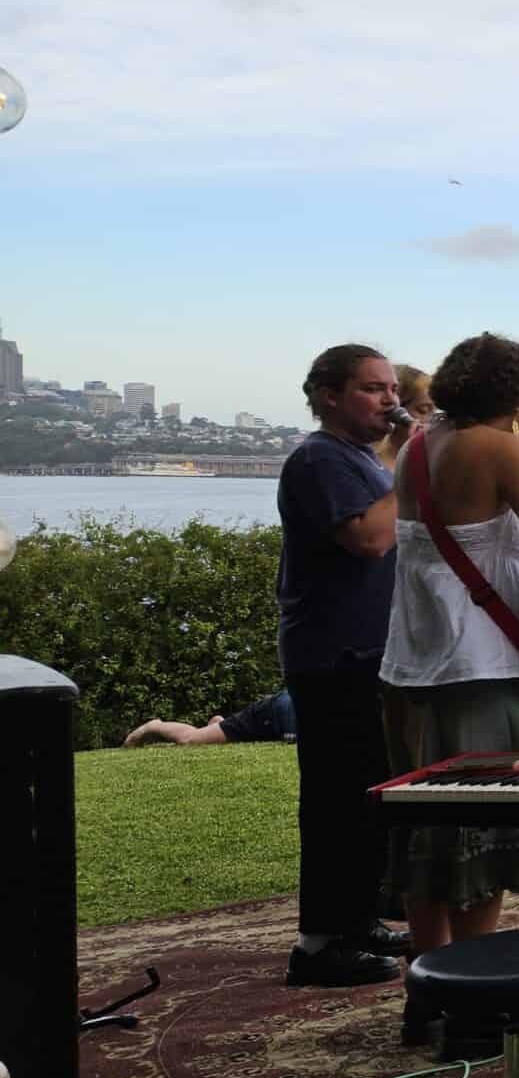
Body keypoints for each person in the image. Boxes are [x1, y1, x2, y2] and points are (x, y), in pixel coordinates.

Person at [381, 333, 519, 1041]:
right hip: (484, 668)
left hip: (410, 669)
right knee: (483, 839)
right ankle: (478, 1003)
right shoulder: (503, 447)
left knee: (428, 837)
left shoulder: (415, 448)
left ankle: (428, 993)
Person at [276, 343, 411, 988]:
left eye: (391, 388)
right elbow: (369, 538)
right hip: (334, 654)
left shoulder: (359, 458)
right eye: (372, 389)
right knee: (336, 801)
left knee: (366, 798)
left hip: (367, 652)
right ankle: (319, 944)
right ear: (328, 394)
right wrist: (414, 466)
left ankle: (357, 919)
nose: (391, 400)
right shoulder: (319, 458)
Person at [124, 690, 298, 748]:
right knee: (190, 740)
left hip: (287, 715)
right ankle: (152, 726)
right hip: (272, 714)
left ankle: (218, 726)